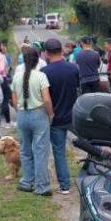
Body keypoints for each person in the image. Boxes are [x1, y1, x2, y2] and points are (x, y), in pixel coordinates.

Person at [10, 48, 54, 196]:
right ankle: (42, 186)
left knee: (25, 150)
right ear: (37, 60)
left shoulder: (16, 77)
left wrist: (21, 112)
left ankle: (27, 182)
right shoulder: (41, 76)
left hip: (22, 114)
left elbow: (14, 100)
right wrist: (51, 114)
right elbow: (47, 99)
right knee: (40, 151)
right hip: (39, 114)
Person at [41, 38, 80, 195]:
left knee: (59, 151)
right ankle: (94, 172)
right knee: (87, 144)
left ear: (47, 53)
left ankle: (65, 186)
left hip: (55, 118)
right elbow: (78, 88)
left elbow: (45, 97)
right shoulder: (73, 68)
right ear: (61, 50)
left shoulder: (45, 72)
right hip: (74, 116)